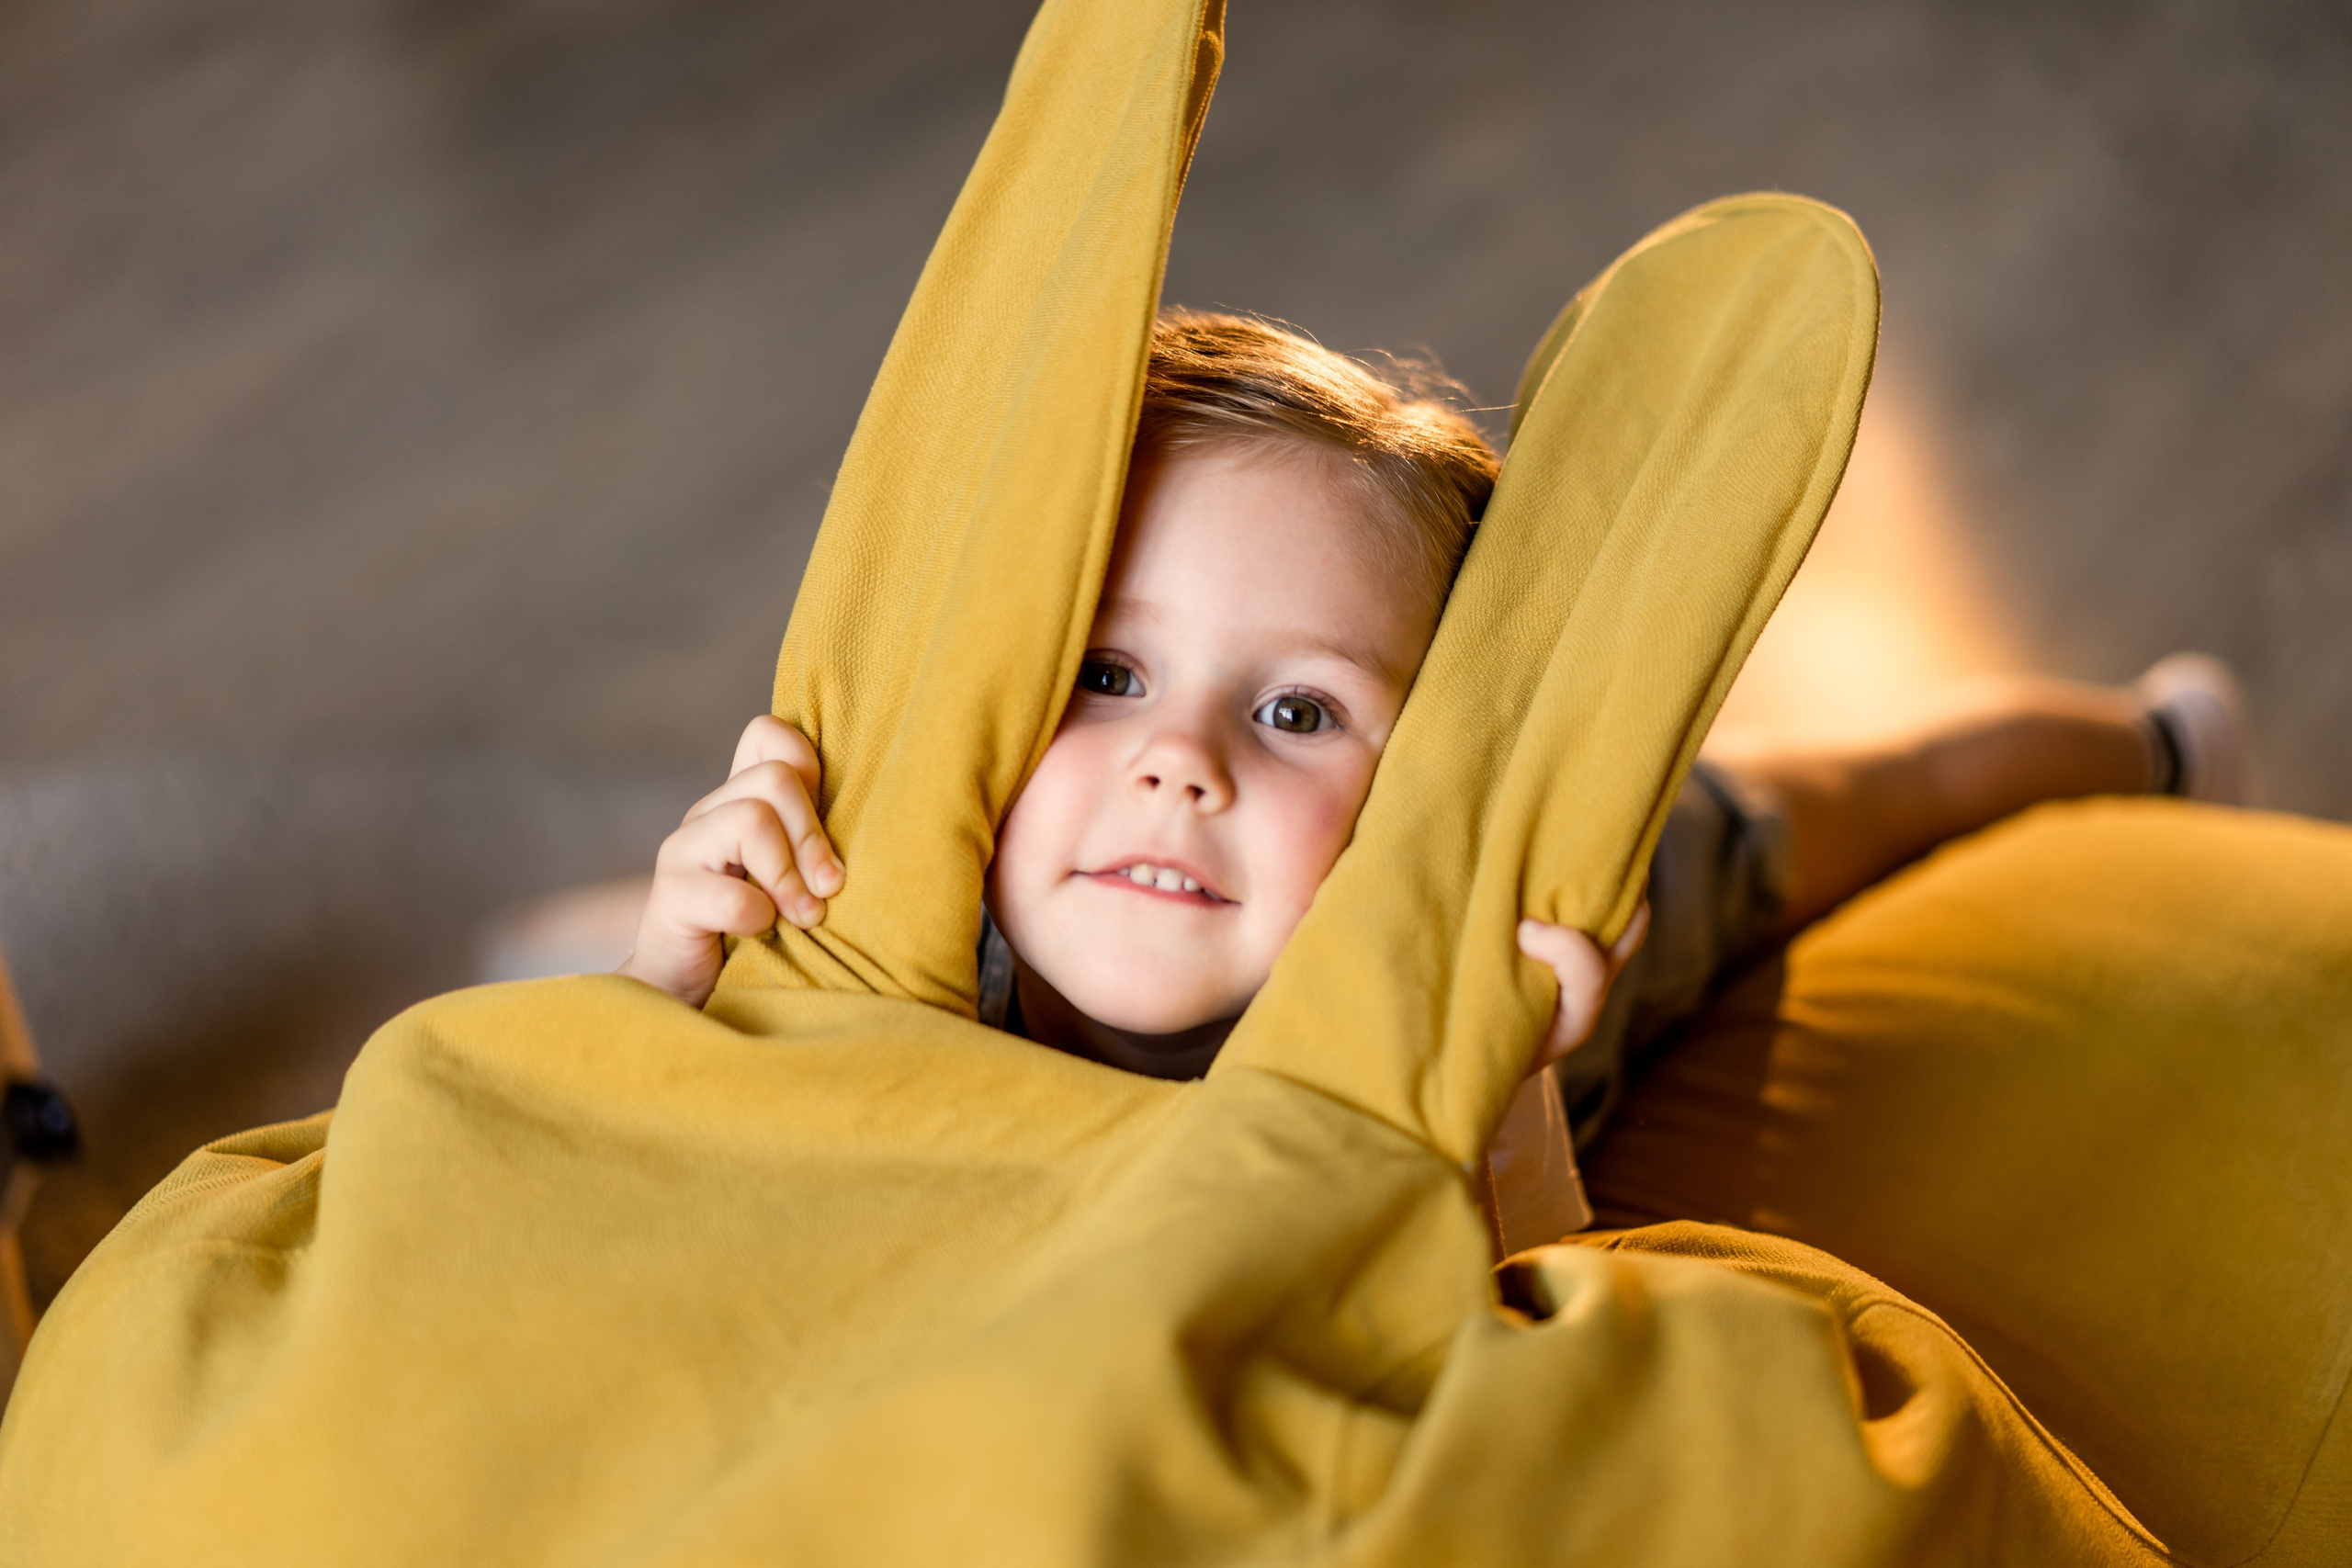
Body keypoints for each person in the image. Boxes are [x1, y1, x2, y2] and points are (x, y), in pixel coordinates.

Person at [616, 309, 2248, 1152]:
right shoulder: (906, 923)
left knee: (1866, 799)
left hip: (1556, 932)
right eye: (1107, 677)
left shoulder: (1520, 923)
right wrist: (670, 986)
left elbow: (1514, 1354)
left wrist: (1507, 1105)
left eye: (1299, 709)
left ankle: (2145, 745)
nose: (1182, 762)